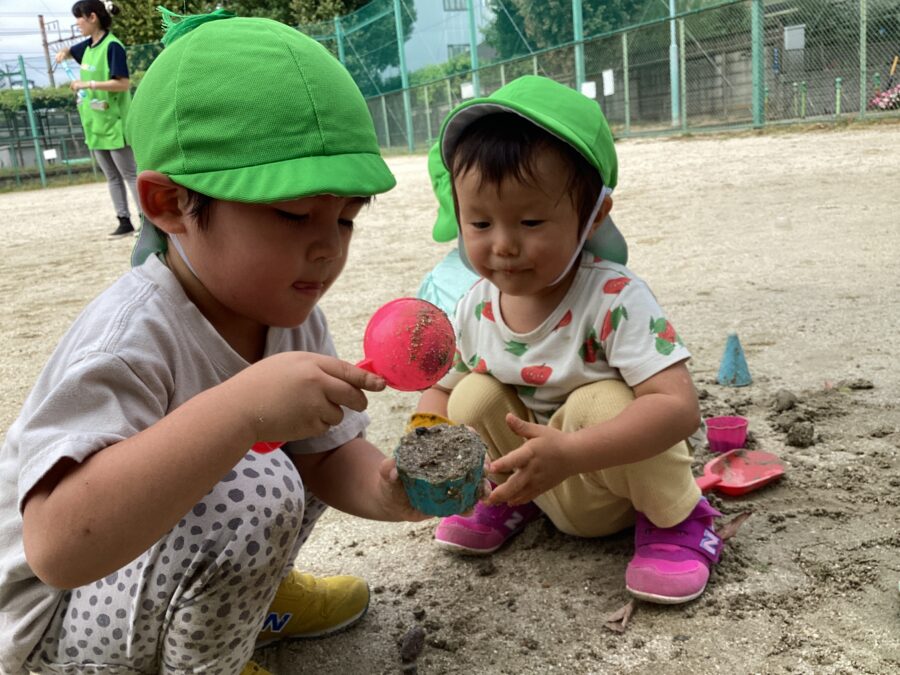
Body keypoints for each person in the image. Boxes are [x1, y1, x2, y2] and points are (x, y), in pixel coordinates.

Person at [1, 10, 427, 675]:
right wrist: (242, 411)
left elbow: (325, 459)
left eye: (346, 218)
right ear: (170, 204)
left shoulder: (288, 309)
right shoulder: (128, 338)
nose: (328, 247)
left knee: (304, 422)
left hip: (140, 571)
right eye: (293, 214)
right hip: (55, 621)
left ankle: (247, 603)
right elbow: (57, 546)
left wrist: (388, 490)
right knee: (255, 482)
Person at [411, 75, 722, 605]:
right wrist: (423, 445)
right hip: (542, 481)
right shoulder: (474, 306)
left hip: (614, 485)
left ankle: (679, 521)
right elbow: (440, 391)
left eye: (531, 221)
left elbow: (678, 408)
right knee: (471, 395)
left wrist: (573, 452)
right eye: (480, 222)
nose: (503, 245)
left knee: (598, 402)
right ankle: (509, 498)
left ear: (593, 215)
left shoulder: (615, 298)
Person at [54, 0, 140, 238]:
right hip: (95, 123)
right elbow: (71, 50)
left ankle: (147, 221)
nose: (77, 24)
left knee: (130, 174)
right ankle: (123, 220)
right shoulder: (88, 47)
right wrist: (64, 52)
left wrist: (88, 84)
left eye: (79, 18)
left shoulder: (113, 46)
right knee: (111, 176)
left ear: (93, 17)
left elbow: (123, 84)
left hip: (115, 123)